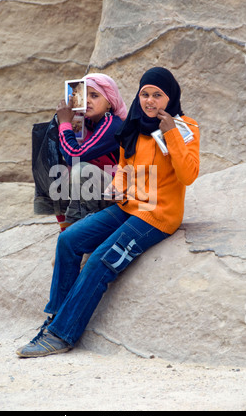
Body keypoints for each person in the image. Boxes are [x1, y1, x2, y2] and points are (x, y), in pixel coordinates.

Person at [16, 66, 200, 358]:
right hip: (127, 206)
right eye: (145, 94)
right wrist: (117, 186)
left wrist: (172, 135)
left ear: (171, 98)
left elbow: (188, 175)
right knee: (69, 240)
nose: (150, 101)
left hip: (157, 215)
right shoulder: (135, 126)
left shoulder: (186, 127)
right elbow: (125, 167)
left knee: (102, 259)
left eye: (158, 95)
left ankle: (62, 335)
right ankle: (55, 317)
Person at [43, 73, 127, 232]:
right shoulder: (86, 121)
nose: (87, 100)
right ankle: (67, 229)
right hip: (98, 190)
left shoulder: (112, 124)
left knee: (81, 169)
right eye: (84, 95)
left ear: (109, 102)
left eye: (94, 95)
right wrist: (64, 118)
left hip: (120, 197)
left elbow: (74, 155)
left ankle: (75, 232)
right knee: (54, 170)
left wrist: (65, 123)